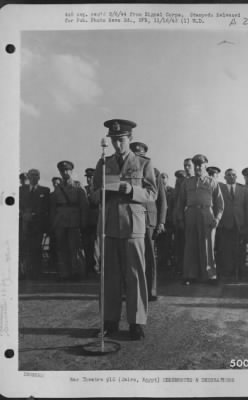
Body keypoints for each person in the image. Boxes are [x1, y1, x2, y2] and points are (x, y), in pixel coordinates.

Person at [91, 119, 157, 340]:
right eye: (114, 140)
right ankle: (109, 322)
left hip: (133, 226)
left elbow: (152, 194)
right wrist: (102, 192)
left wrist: (131, 189)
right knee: (110, 276)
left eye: (121, 140)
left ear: (129, 139)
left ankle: (136, 322)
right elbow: (93, 195)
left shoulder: (143, 163)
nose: (117, 145)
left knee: (135, 275)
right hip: (109, 226)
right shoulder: (103, 163)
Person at [177, 154, 224, 285]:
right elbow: (180, 202)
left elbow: (220, 204)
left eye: (200, 164)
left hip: (206, 213)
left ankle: (210, 276)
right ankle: (190, 275)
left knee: (208, 245)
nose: (198, 167)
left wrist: (217, 218)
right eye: (196, 164)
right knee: (190, 245)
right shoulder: (187, 182)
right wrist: (180, 218)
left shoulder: (212, 182)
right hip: (191, 213)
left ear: (205, 166)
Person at [130, 141, 167, 301]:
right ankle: (133, 290)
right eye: (135, 154)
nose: (139, 157)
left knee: (150, 256)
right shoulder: (127, 172)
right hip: (132, 218)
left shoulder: (155, 172)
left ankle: (151, 290)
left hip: (149, 219)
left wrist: (161, 222)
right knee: (132, 256)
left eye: (141, 154)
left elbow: (162, 201)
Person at [50, 161, 88, 282]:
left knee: (75, 247)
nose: (65, 173)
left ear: (71, 171)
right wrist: (53, 222)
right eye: (62, 171)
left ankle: (77, 272)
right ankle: (64, 273)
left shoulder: (78, 187)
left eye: (67, 170)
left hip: (74, 221)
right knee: (61, 248)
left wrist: (84, 222)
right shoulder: (57, 188)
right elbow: (53, 207)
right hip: (60, 221)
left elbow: (84, 206)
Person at [19, 169, 50, 279]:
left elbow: (46, 208)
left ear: (39, 177)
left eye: (36, 175)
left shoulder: (45, 190)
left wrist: (36, 215)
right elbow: (19, 205)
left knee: (37, 248)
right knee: (25, 247)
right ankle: (25, 272)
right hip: (25, 223)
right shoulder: (21, 190)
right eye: (32, 175)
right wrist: (24, 214)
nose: (34, 177)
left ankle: (37, 272)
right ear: (28, 176)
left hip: (38, 224)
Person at [217, 168, 246, 280]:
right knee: (225, 248)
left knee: (240, 248)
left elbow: (246, 207)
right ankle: (227, 270)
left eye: (234, 175)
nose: (231, 176)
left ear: (236, 177)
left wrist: (246, 222)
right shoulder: (220, 188)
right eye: (228, 175)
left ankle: (239, 270)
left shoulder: (242, 189)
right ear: (225, 177)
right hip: (225, 223)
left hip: (239, 223)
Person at [82, 168, 100, 277]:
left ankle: (96, 267)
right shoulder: (83, 189)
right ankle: (88, 267)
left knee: (96, 246)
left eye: (91, 177)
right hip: (86, 220)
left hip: (96, 220)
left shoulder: (99, 190)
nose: (89, 179)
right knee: (86, 245)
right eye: (88, 177)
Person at [157, 172, 175, 270]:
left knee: (169, 242)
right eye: (161, 177)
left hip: (169, 220)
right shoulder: (156, 190)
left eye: (164, 177)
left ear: (167, 179)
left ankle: (169, 263)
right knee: (160, 243)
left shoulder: (171, 191)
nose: (162, 179)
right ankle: (161, 263)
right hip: (159, 220)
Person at [172, 169, 186, 274]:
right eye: (178, 178)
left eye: (181, 178)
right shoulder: (174, 191)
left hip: (186, 222)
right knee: (178, 247)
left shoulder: (187, 190)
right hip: (176, 223)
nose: (179, 180)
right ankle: (179, 268)